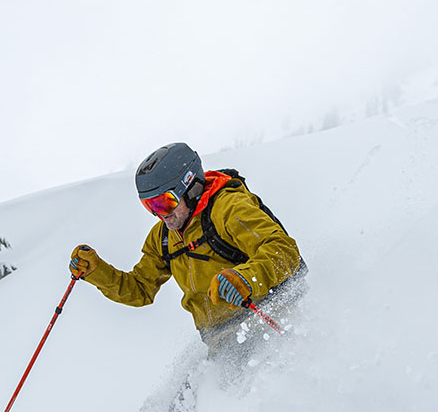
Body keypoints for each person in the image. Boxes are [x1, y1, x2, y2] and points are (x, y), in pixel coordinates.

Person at [69, 142, 306, 358]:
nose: (160, 214)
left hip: (268, 321)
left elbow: (283, 250)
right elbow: (140, 289)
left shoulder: (228, 208)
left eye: (164, 202)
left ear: (190, 188)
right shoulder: (163, 237)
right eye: (150, 206)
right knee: (184, 393)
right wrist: (97, 271)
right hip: (221, 344)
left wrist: (246, 278)